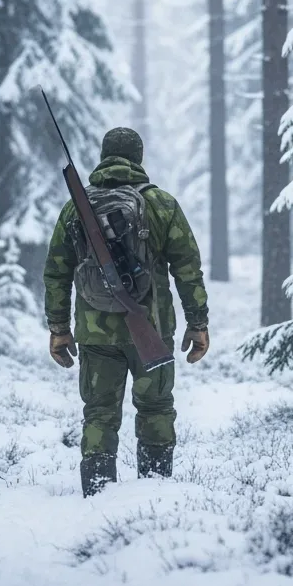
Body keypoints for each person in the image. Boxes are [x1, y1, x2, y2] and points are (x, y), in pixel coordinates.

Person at [42, 126, 210, 497]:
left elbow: (57, 271)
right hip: (153, 328)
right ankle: (155, 493)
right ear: (138, 158)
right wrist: (198, 323)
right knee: (155, 408)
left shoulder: (76, 206)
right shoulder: (162, 204)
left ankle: (99, 495)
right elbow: (187, 269)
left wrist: (58, 327)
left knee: (100, 413)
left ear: (104, 156)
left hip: (94, 334)